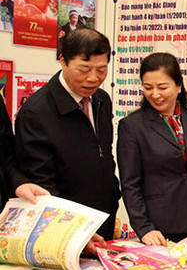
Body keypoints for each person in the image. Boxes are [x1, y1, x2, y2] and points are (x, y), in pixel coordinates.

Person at [15, 29, 120, 240]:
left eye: (101, 70)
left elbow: (104, 156)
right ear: (63, 61)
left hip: (103, 220)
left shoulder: (101, 100)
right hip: (64, 232)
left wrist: (112, 196)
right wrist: (73, 232)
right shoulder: (37, 112)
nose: (93, 78)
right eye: (84, 69)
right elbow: (42, 185)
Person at [117, 53, 187, 245]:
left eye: (162, 87)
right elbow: (130, 184)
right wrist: (144, 228)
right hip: (159, 227)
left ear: (178, 85)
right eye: (148, 87)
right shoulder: (133, 126)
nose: (155, 94)